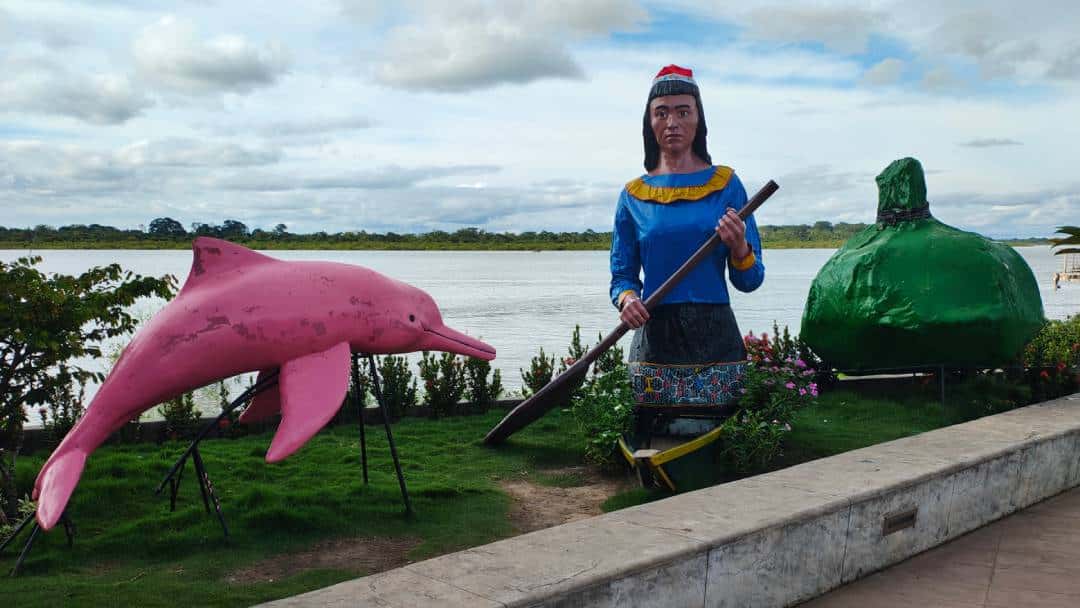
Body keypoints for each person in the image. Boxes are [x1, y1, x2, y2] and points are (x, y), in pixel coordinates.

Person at [609, 64, 764, 427]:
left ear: (698, 119)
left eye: (683, 112)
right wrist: (629, 300)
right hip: (655, 336)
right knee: (653, 426)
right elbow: (622, 275)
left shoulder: (726, 185)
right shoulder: (633, 195)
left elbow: (750, 280)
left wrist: (739, 246)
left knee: (719, 424)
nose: (672, 123)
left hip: (715, 334)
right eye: (661, 113)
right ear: (649, 122)